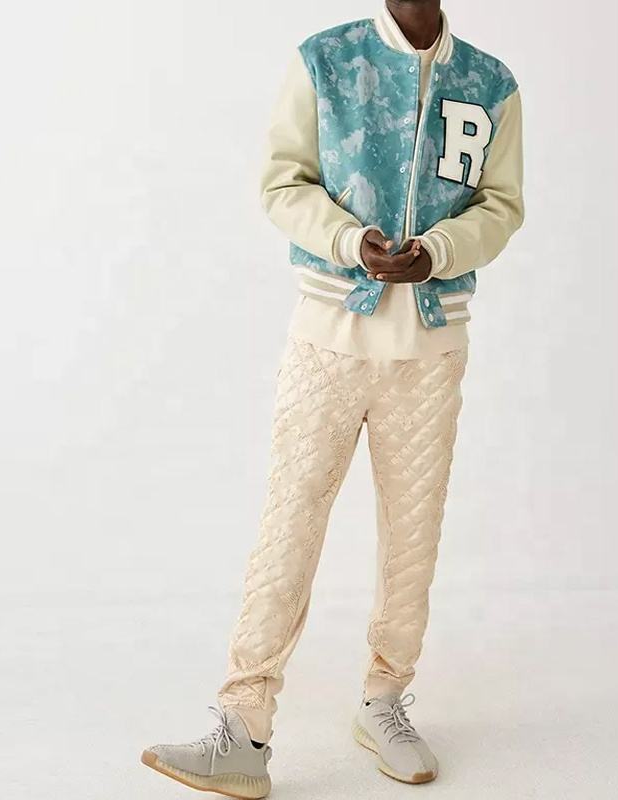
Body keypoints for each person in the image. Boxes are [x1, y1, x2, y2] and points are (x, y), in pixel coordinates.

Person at [140, 1, 524, 795]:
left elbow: (501, 204)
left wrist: (439, 252)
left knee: (413, 536)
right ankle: (243, 725)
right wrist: (352, 241)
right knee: (289, 525)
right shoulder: (326, 60)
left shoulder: (491, 84)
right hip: (328, 340)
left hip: (431, 349)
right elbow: (283, 183)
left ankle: (384, 702)